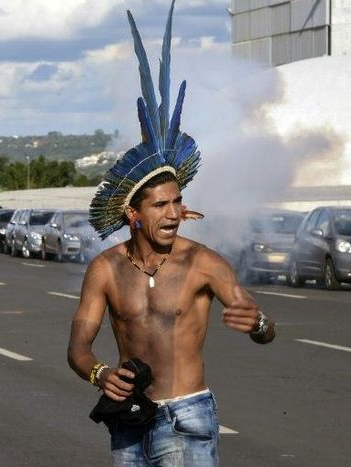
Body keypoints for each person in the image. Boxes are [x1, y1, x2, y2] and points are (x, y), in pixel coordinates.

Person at [67, 2, 275, 466]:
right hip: (128, 418)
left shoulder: (203, 262)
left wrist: (258, 323)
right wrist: (100, 373)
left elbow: (264, 328)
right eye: (161, 204)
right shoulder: (105, 270)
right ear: (132, 212)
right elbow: (77, 345)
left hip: (186, 416)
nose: (175, 213)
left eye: (178, 202)